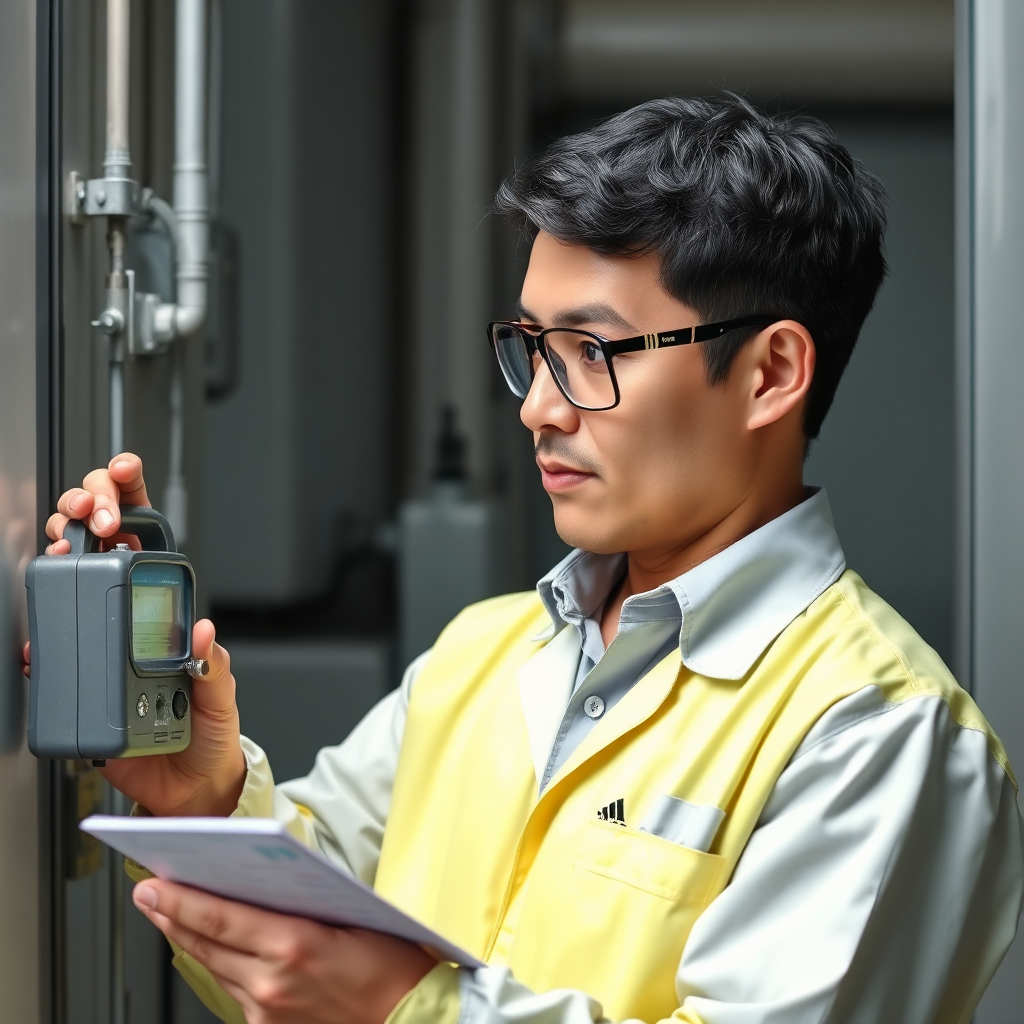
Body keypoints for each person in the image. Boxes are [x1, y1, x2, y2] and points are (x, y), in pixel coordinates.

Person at [39, 95, 1024, 1024]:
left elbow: (370, 993)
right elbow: (307, 959)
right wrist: (201, 796)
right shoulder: (485, 650)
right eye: (531, 347)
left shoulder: (880, 733)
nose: (538, 406)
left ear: (769, 373)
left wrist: (407, 1005)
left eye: (592, 353)